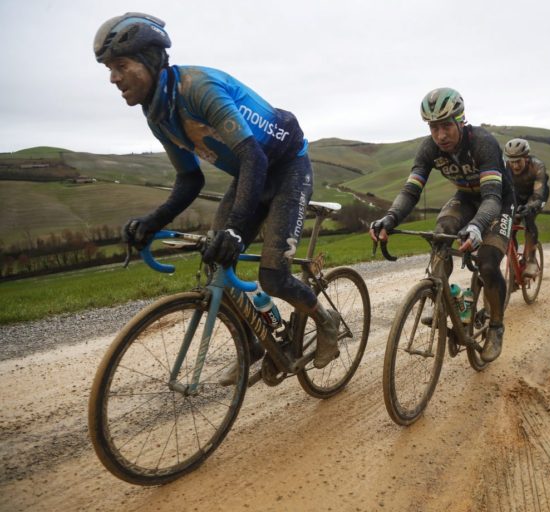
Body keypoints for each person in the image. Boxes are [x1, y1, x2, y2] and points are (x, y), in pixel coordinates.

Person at [93, 13, 341, 379]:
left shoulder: (197, 88)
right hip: (250, 172)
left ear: (149, 59)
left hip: (285, 168)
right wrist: (152, 221)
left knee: (273, 276)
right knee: (215, 264)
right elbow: (188, 179)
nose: (113, 78)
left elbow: (252, 155)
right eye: (108, 69)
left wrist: (237, 231)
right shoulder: (157, 114)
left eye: (120, 65)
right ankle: (253, 343)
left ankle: (326, 319)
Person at [369, 87, 514, 362]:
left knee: (487, 262)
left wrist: (477, 226)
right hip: (465, 197)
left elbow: (492, 198)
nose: (440, 135)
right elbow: (411, 191)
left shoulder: (482, 143)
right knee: (441, 236)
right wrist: (390, 217)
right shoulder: (429, 148)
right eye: (434, 127)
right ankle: (447, 300)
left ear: (460, 120)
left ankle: (495, 326)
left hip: (498, 202)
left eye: (446, 126)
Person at [503, 138, 548, 278]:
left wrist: (530, 207)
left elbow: (537, 194)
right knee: (509, 224)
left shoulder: (537, 166)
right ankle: (513, 261)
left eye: (518, 161)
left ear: (526, 158)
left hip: (536, 195)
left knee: (528, 218)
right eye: (512, 161)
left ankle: (532, 259)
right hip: (517, 195)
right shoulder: (505, 167)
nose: (515, 166)